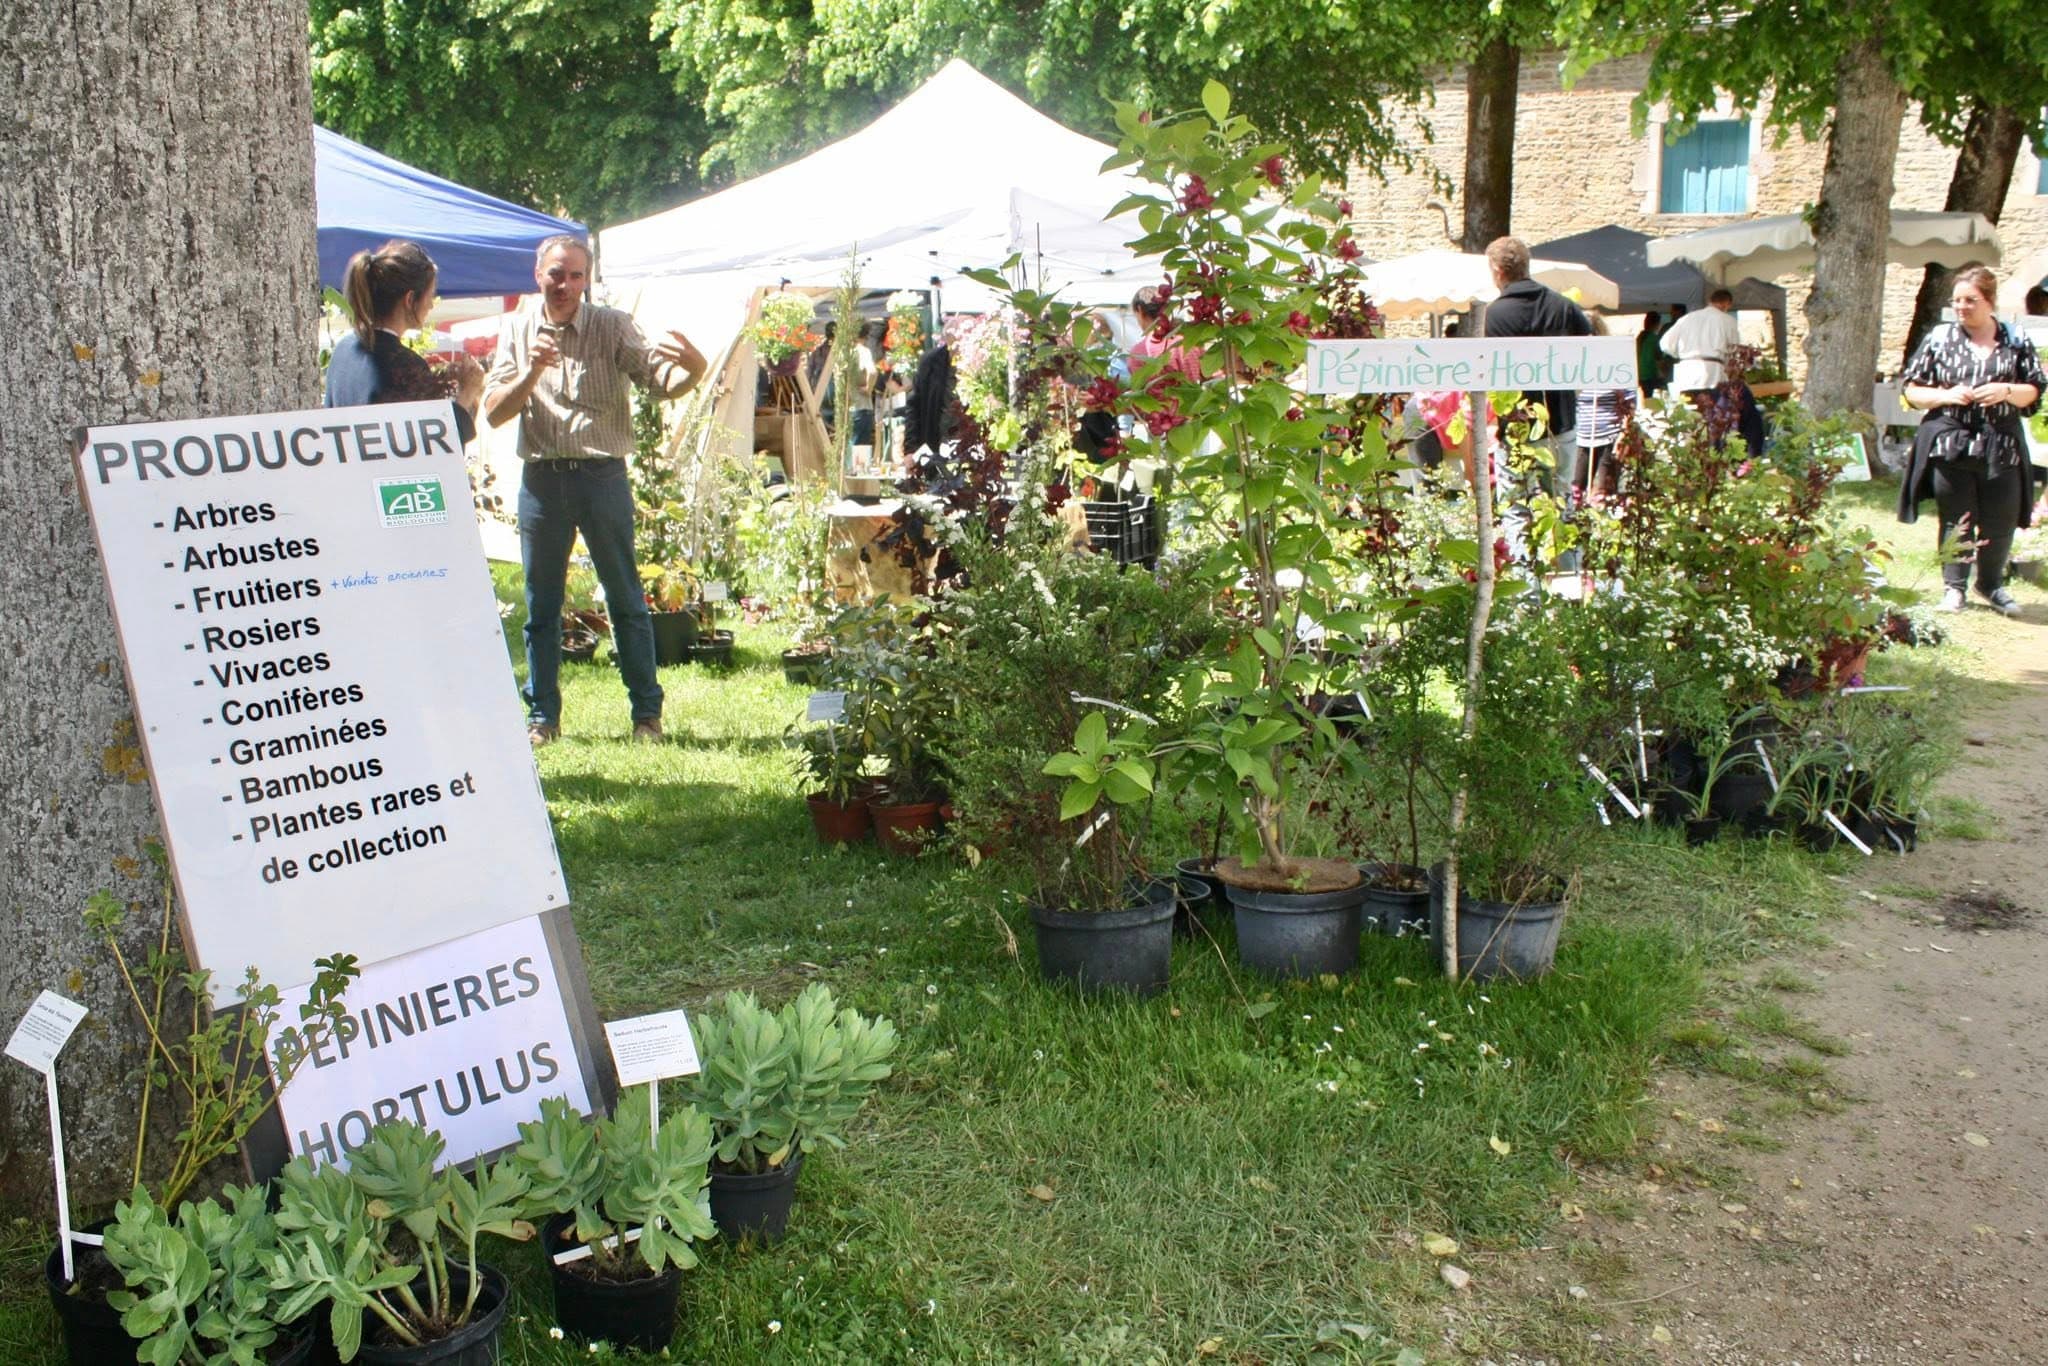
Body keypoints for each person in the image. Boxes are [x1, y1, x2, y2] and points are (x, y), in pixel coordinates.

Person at [482, 235, 707, 745]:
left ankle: (647, 716)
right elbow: (495, 413)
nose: (565, 285)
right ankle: (543, 718)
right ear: (538, 274)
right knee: (542, 606)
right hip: (541, 481)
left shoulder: (610, 325)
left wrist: (694, 370)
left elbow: (658, 381)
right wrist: (532, 370)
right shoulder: (517, 329)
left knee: (626, 598)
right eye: (556, 274)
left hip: (601, 476)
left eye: (576, 275)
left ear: (588, 279)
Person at [1898, 266, 2046, 617]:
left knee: (2001, 518)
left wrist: (2006, 390)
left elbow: (2035, 391)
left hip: (2002, 444)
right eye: (1957, 300)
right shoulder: (1940, 338)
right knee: (1956, 518)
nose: (1961, 307)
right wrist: (1946, 395)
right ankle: (1954, 588)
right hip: (1952, 442)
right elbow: (1912, 390)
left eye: (1970, 300)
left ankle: (1991, 584)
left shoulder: (2016, 339)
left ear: (1990, 302)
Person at [1481, 236, 1591, 562]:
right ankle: (1571, 576)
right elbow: (1587, 349)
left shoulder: (1490, 316)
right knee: (1562, 505)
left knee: (1516, 510)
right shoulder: (1563, 306)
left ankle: (1525, 590)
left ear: (1498, 271)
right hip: (1561, 424)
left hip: (1516, 430)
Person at [324, 240, 482, 438]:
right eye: (430, 295)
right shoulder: (404, 365)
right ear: (410, 300)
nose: (431, 306)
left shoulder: (344, 349)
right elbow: (435, 447)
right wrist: (466, 394)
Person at [1574, 314, 1629, 502]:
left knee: (1603, 492)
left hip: (1609, 436)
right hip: (1581, 436)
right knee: (1576, 489)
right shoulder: (1572, 366)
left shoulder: (1614, 364)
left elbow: (1630, 401)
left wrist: (1624, 434)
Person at [1660, 289, 1741, 393]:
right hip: (1713, 372)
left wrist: (1680, 354)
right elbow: (1734, 348)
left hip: (1686, 371)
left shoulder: (1686, 318)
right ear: (1727, 304)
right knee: (1712, 406)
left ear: (1709, 301)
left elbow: (1665, 344)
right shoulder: (1728, 320)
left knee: (1688, 407)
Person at [1635, 310, 1665, 398]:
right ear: (1657, 324)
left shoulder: (1639, 337)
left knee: (1645, 398)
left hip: (1639, 374)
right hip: (1650, 375)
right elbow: (1659, 357)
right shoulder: (1654, 339)